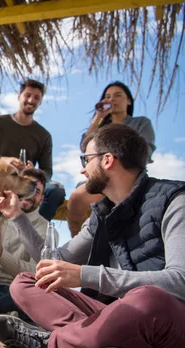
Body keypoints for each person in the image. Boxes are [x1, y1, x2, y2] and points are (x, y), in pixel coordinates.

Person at [0, 123, 185, 348]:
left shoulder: (174, 200)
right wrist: (16, 215)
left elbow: (180, 281)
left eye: (86, 159)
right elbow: (56, 260)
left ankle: (49, 342)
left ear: (108, 160)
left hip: (168, 323)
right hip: (116, 317)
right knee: (26, 282)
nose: (82, 169)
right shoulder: (102, 214)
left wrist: (84, 275)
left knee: (148, 300)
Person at [66, 81, 156, 237]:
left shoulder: (140, 123)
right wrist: (98, 117)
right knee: (77, 198)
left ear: (128, 100)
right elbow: (84, 147)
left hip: (128, 179)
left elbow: (145, 151)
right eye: (107, 97)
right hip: (99, 178)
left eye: (117, 95)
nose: (111, 99)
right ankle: (79, 245)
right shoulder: (100, 127)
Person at [0, 168, 56, 328]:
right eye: (26, 187)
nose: (30, 194)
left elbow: (36, 273)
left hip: (19, 290)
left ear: (42, 198)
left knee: (37, 299)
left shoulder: (46, 229)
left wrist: (0, 254)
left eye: (36, 191)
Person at [0, 79, 65, 221]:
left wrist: (34, 172)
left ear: (41, 101)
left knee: (56, 191)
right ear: (19, 96)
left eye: (37, 97)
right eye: (28, 95)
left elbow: (47, 172)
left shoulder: (44, 136)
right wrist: (2, 160)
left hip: (24, 184)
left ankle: (33, 233)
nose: (31, 100)